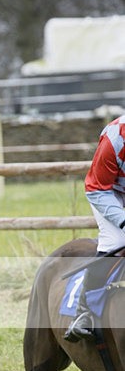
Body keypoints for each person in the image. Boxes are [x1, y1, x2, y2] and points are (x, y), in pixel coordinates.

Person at [64, 113, 125, 341]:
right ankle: (84, 313)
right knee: (117, 242)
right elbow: (98, 188)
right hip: (108, 193)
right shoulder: (115, 137)